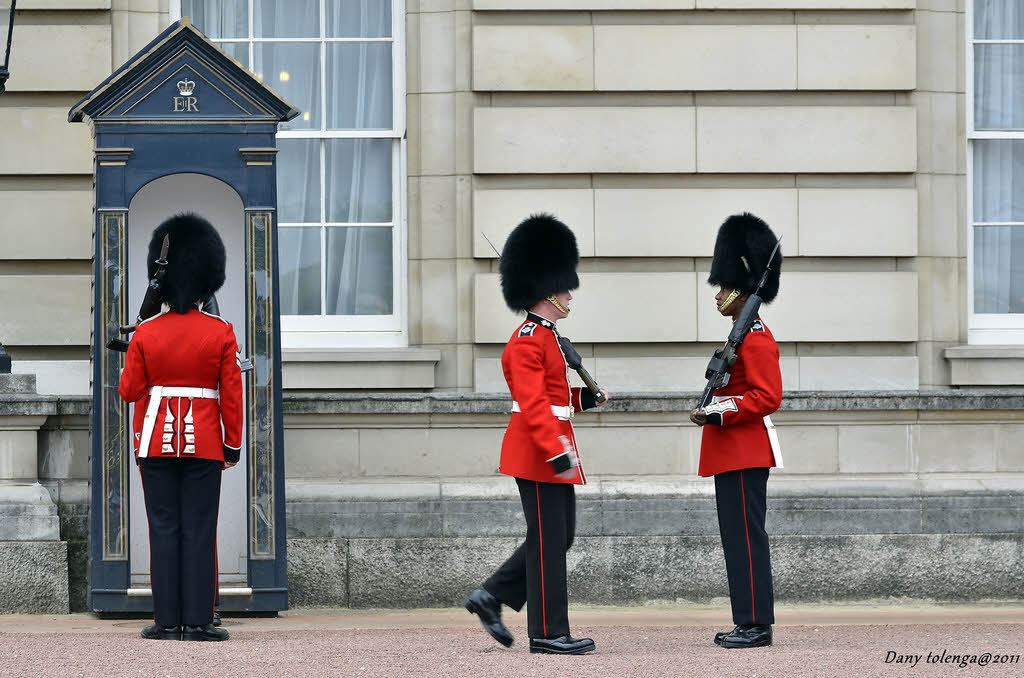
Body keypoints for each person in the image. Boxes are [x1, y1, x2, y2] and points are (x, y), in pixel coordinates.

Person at [463, 214, 608, 655]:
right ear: (547, 290)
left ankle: (490, 596)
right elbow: (532, 405)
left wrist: (586, 399)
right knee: (549, 540)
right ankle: (547, 632)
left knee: (558, 538)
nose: (570, 293)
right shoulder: (528, 339)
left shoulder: (547, 336)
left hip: (551, 447)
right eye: (564, 287)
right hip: (539, 452)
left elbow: (554, 398)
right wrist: (556, 453)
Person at [118, 213, 243, 642]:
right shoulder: (221, 332)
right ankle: (200, 622)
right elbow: (231, 396)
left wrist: (137, 344)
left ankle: (166, 621)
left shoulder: (147, 333)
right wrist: (233, 444)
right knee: (199, 529)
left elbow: (130, 390)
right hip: (207, 442)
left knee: (164, 528)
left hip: (154, 441)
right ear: (208, 278)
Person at [689, 213, 783, 650]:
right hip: (732, 451)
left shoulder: (757, 338)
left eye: (724, 288)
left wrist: (718, 412)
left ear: (742, 289)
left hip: (745, 448)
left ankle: (755, 624)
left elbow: (767, 397)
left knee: (746, 538)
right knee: (736, 539)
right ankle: (747, 619)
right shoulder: (737, 337)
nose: (719, 295)